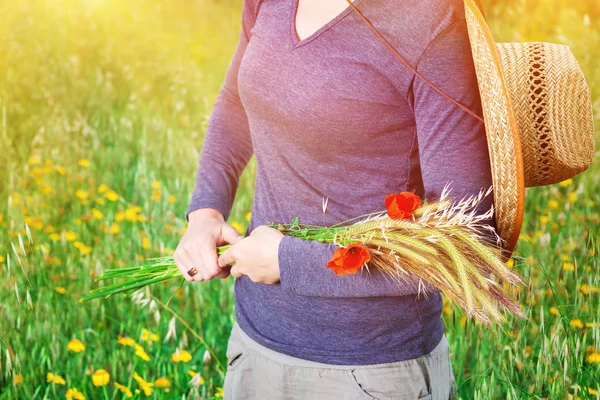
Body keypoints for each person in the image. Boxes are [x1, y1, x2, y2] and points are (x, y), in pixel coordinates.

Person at [174, 0, 497, 398]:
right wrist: (205, 211)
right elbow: (236, 103)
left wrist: (287, 262)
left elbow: (467, 242)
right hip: (255, 343)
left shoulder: (432, 22)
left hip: (369, 370)